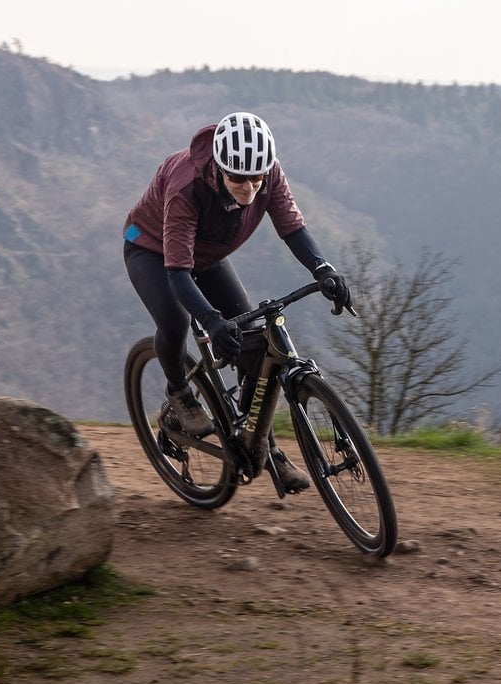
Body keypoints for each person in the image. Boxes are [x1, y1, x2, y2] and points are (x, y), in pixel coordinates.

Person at [122, 111, 352, 493]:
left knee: (251, 340)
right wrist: (211, 321)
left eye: (256, 178)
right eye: (237, 179)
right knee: (177, 322)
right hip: (151, 249)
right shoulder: (187, 187)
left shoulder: (269, 173)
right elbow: (177, 273)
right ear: (219, 168)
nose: (248, 189)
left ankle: (264, 445)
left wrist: (323, 268)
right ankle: (179, 393)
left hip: (207, 255)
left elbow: (292, 227)